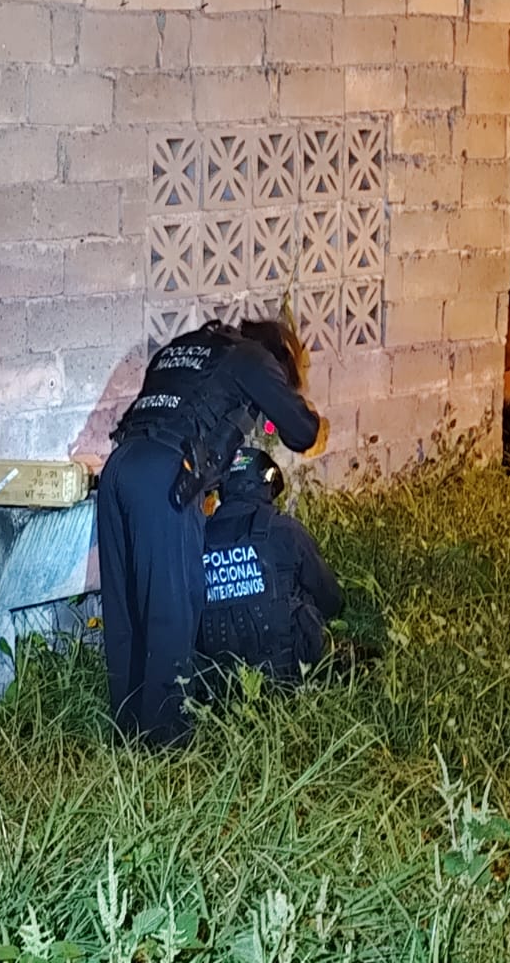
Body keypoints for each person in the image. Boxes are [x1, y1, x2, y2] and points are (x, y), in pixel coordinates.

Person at [98, 319, 322, 746]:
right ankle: (166, 749)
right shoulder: (254, 359)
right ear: (278, 357)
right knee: (172, 614)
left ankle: (125, 739)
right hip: (165, 478)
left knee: (126, 613)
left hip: (118, 470)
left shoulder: (188, 348)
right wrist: (295, 404)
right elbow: (301, 432)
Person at [198, 447, 343, 684]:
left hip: (219, 682)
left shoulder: (196, 537)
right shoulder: (285, 530)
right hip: (287, 673)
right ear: (265, 483)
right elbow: (330, 599)